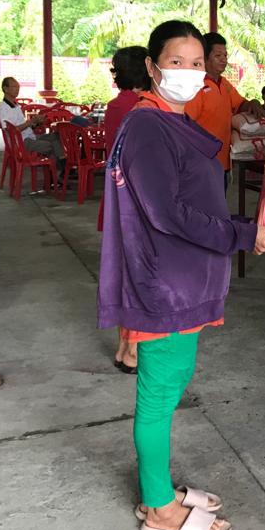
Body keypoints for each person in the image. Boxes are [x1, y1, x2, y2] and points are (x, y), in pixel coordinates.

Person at [98, 20, 265, 530]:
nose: (187, 71)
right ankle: (158, 508)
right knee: (159, 393)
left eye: (196, 63)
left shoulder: (174, 121)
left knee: (173, 382)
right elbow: (166, 213)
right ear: (154, 68)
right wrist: (244, 233)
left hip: (187, 277)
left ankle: (159, 488)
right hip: (164, 280)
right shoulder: (147, 126)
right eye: (175, 62)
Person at [99, 46, 152, 373]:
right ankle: (132, 349)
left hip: (115, 199)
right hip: (137, 204)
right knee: (138, 277)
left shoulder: (116, 105)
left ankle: (123, 347)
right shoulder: (144, 107)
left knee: (123, 275)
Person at [184, 32, 265, 190]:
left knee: (219, 208)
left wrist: (253, 103)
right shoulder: (196, 86)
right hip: (202, 164)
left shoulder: (224, 84)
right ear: (204, 58)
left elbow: (240, 104)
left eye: (225, 55)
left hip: (223, 161)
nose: (224, 59)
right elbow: (185, 123)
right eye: (218, 55)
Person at [0, 77, 65, 175]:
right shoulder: (3, 108)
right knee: (50, 146)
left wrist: (35, 123)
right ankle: (53, 178)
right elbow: (10, 131)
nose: (17, 89)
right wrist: (29, 122)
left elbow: (23, 126)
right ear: (5, 89)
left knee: (57, 136)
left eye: (18, 87)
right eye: (14, 86)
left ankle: (64, 171)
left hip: (28, 136)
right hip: (20, 142)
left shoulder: (15, 105)